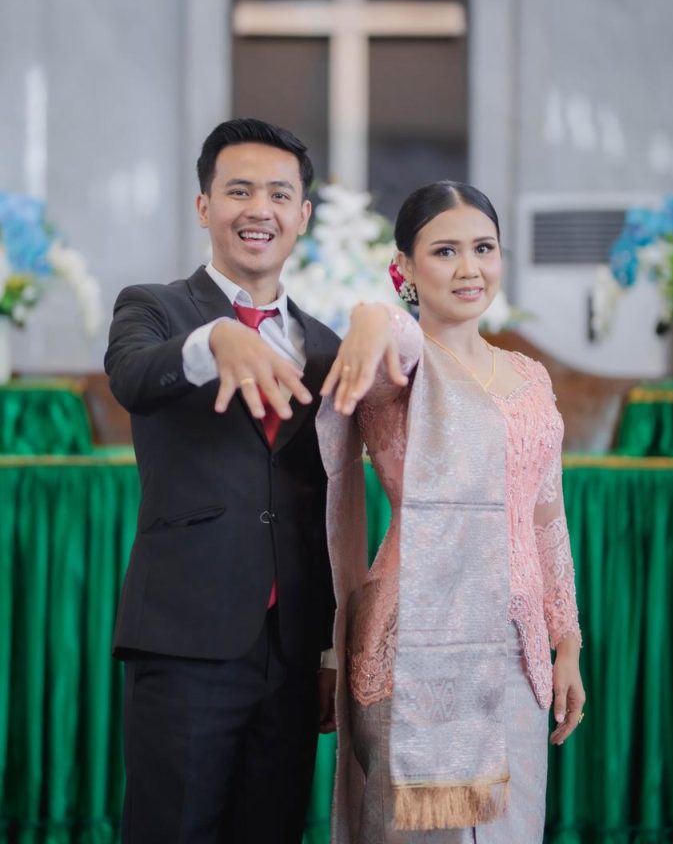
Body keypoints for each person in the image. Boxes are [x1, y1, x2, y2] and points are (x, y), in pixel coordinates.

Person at [317, 181, 585, 844]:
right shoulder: (400, 368)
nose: (469, 268)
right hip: (416, 643)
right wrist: (371, 316)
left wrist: (567, 641)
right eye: (444, 251)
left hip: (518, 649)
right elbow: (394, 339)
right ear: (403, 267)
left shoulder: (529, 375)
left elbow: (546, 518)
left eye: (483, 248)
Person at [105, 118, 339, 844]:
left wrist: (328, 648)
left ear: (303, 214)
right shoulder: (154, 307)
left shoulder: (324, 346)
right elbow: (132, 378)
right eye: (238, 191)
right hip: (185, 639)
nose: (258, 209)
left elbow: (329, 505)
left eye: (279, 194)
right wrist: (216, 338)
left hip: (291, 652)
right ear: (204, 205)